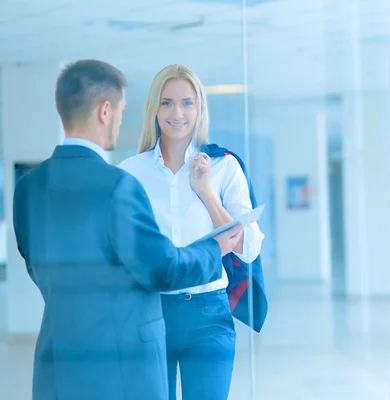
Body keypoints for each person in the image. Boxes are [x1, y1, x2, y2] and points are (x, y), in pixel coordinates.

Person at [12, 59, 244, 400]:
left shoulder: (27, 186)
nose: (121, 120)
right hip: (121, 351)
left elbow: (35, 264)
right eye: (121, 110)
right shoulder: (121, 182)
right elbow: (161, 267)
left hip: (57, 351)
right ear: (105, 111)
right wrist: (216, 249)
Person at [118, 64, 265, 400]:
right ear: (154, 108)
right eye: (167, 102)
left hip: (208, 314)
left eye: (187, 103)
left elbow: (249, 247)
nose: (177, 113)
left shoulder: (223, 167)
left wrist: (207, 193)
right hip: (148, 315)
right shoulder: (130, 174)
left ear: (200, 109)